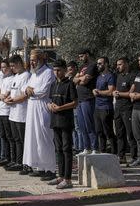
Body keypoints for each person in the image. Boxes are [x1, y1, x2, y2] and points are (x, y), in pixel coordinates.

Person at [22, 49, 57, 180]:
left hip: (42, 107)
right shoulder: (33, 74)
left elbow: (43, 91)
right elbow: (24, 88)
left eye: (34, 60)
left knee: (44, 137)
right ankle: (40, 167)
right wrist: (28, 90)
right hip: (32, 107)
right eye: (31, 60)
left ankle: (50, 169)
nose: (32, 62)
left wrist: (30, 90)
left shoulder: (48, 72)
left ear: (42, 59)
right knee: (34, 138)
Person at [47, 59, 78, 189]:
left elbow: (75, 103)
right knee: (58, 149)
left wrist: (60, 108)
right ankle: (60, 175)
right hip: (55, 120)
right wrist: (49, 106)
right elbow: (49, 101)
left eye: (59, 70)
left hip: (66, 120)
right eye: (54, 70)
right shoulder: (53, 84)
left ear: (64, 70)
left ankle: (68, 178)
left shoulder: (69, 84)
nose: (56, 72)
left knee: (67, 149)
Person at [4, 55, 30, 172]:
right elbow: (12, 92)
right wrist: (7, 99)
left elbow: (25, 95)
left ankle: (24, 163)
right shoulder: (16, 77)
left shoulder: (26, 76)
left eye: (13, 66)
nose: (12, 68)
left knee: (22, 140)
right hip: (13, 113)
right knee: (15, 139)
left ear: (19, 63)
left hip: (22, 113)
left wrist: (12, 100)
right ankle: (16, 160)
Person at [72, 49, 98, 153]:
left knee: (89, 124)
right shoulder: (82, 67)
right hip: (80, 99)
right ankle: (86, 147)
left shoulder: (92, 65)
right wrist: (79, 79)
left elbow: (85, 80)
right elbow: (74, 79)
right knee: (82, 126)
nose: (80, 58)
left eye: (82, 56)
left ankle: (95, 147)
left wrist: (80, 79)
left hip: (88, 98)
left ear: (87, 55)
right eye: (79, 56)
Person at [112, 57, 136, 164]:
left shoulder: (132, 76)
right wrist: (114, 93)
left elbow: (131, 93)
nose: (118, 67)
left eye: (120, 64)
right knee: (119, 133)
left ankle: (134, 157)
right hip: (118, 108)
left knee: (130, 134)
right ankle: (121, 156)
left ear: (126, 64)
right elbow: (116, 91)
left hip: (128, 108)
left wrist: (119, 94)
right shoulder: (118, 77)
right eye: (117, 65)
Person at [92, 56, 116, 154]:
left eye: (100, 63)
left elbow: (111, 91)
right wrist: (94, 90)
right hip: (97, 107)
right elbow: (97, 90)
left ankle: (115, 153)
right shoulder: (98, 77)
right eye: (97, 63)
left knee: (108, 132)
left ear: (106, 64)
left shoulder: (110, 76)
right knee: (99, 131)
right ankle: (102, 152)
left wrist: (99, 92)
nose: (98, 65)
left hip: (106, 107)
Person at [0, 60, 15, 167]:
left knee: (9, 136)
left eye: (5, 67)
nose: (3, 69)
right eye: (2, 67)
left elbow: (6, 95)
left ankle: (11, 158)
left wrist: (0, 96)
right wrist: (0, 96)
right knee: (2, 135)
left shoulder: (12, 79)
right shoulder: (3, 79)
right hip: (1, 110)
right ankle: (5, 156)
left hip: (8, 111)